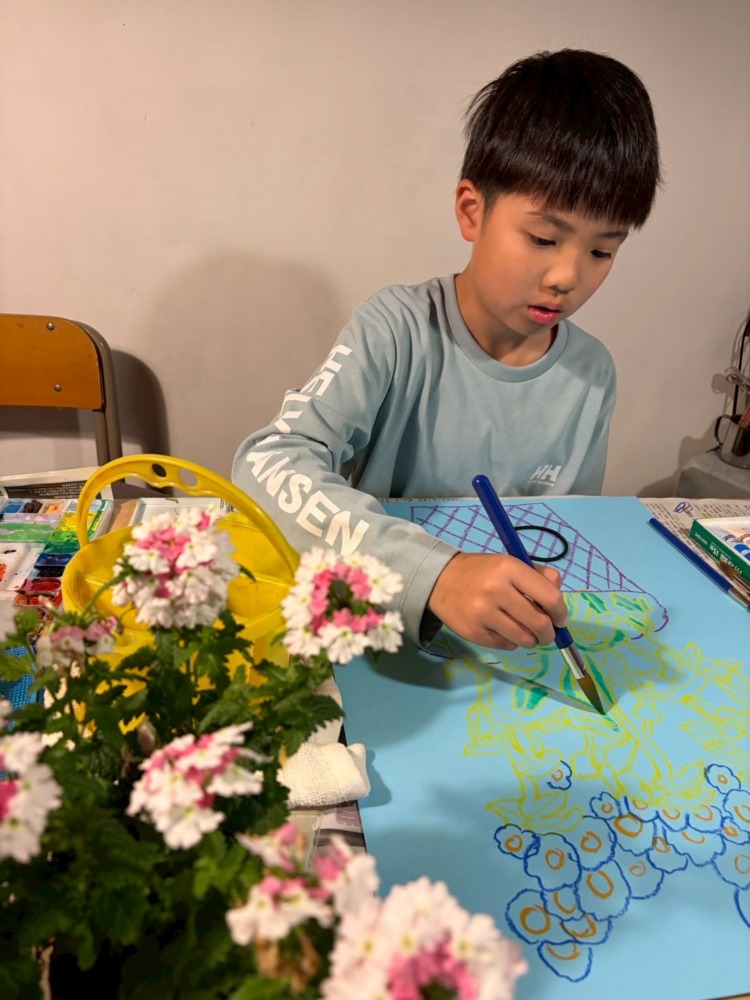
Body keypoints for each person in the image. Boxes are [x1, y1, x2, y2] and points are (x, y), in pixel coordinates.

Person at [233, 48, 661, 654]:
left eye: (602, 252)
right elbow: (268, 461)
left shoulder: (592, 374)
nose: (568, 276)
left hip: (506, 650)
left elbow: (567, 527)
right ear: (472, 211)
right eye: (543, 238)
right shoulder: (396, 329)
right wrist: (437, 573)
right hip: (384, 633)